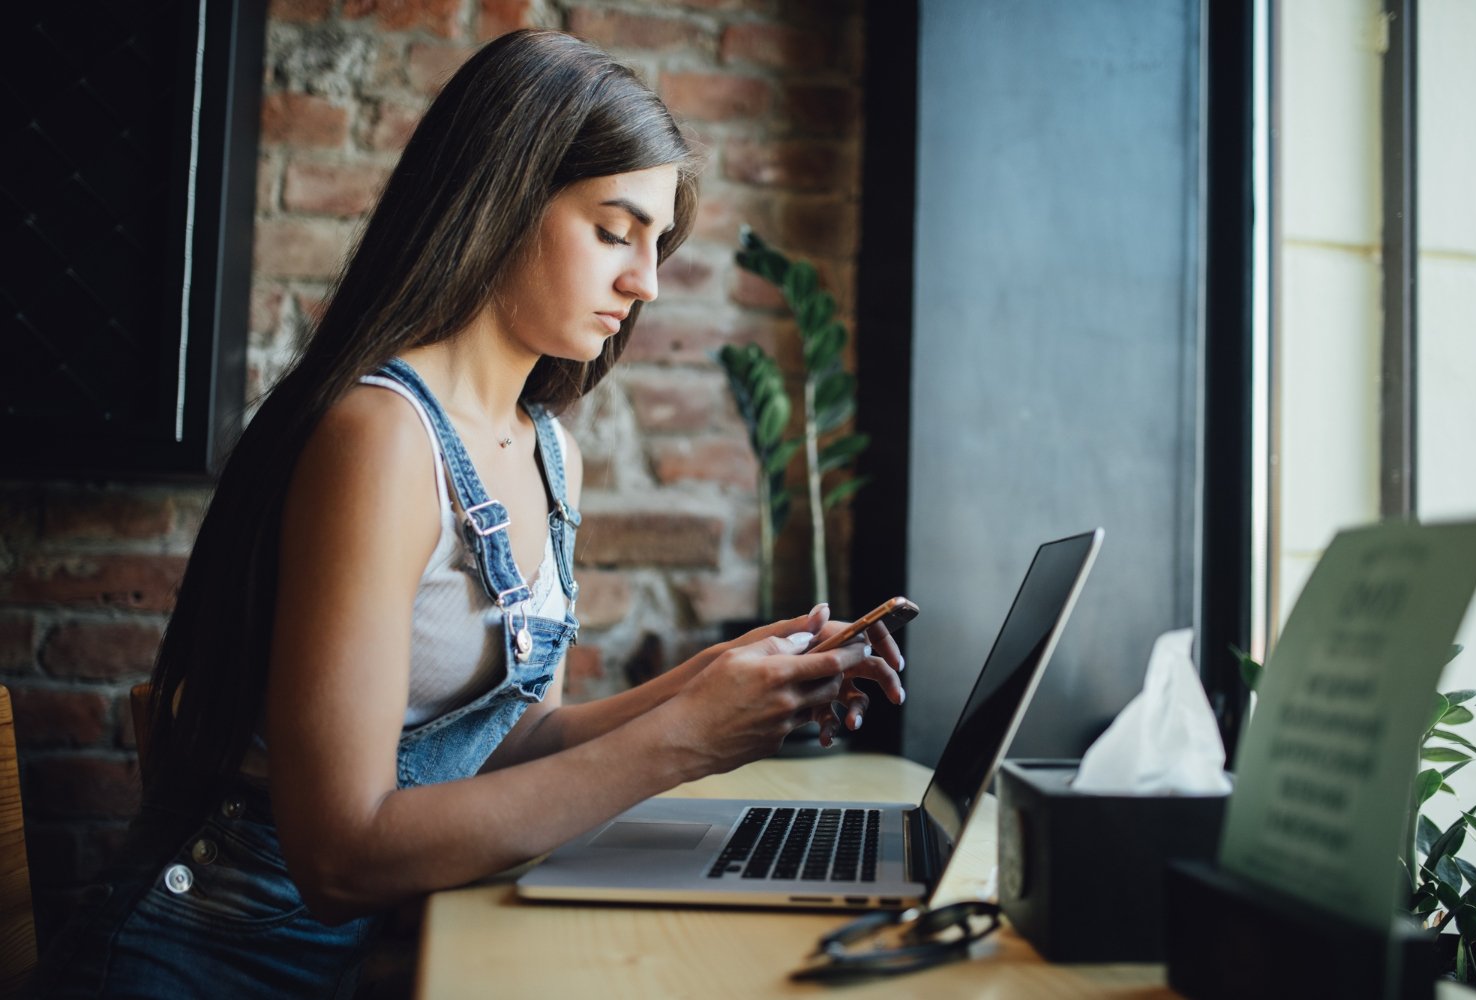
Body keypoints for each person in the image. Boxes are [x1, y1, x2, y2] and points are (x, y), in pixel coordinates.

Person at [37, 28, 903, 998]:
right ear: (502, 199)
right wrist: (684, 739)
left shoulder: (547, 450)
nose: (645, 280)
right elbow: (341, 854)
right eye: (615, 231)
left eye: (658, 243)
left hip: (374, 951)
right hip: (213, 959)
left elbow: (514, 744)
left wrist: (717, 683)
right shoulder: (380, 437)